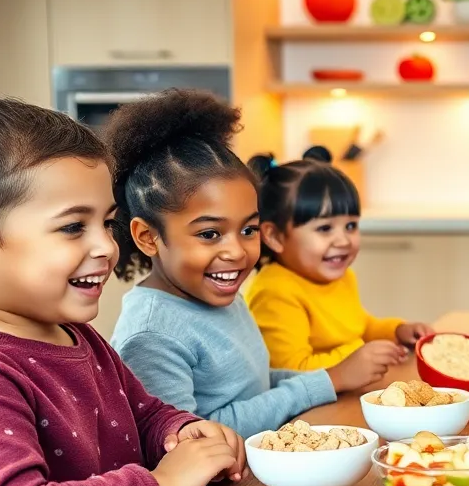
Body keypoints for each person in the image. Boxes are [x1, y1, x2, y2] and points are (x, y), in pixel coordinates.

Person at [0, 96, 244, 486]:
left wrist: (178, 431)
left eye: (107, 222)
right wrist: (160, 485)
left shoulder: (73, 333)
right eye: (72, 228)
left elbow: (140, 412)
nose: (106, 248)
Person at [106, 90, 374, 439]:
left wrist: (329, 379)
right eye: (209, 234)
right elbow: (196, 439)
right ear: (147, 237)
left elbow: (255, 386)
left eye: (248, 229)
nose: (237, 251)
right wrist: (328, 380)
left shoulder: (218, 294)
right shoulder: (151, 336)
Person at [246, 155, 432, 373]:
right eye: (325, 228)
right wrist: (356, 356)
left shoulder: (343, 277)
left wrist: (397, 331)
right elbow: (290, 371)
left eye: (351, 225)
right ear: (275, 236)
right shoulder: (275, 292)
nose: (344, 240)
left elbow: (359, 327)